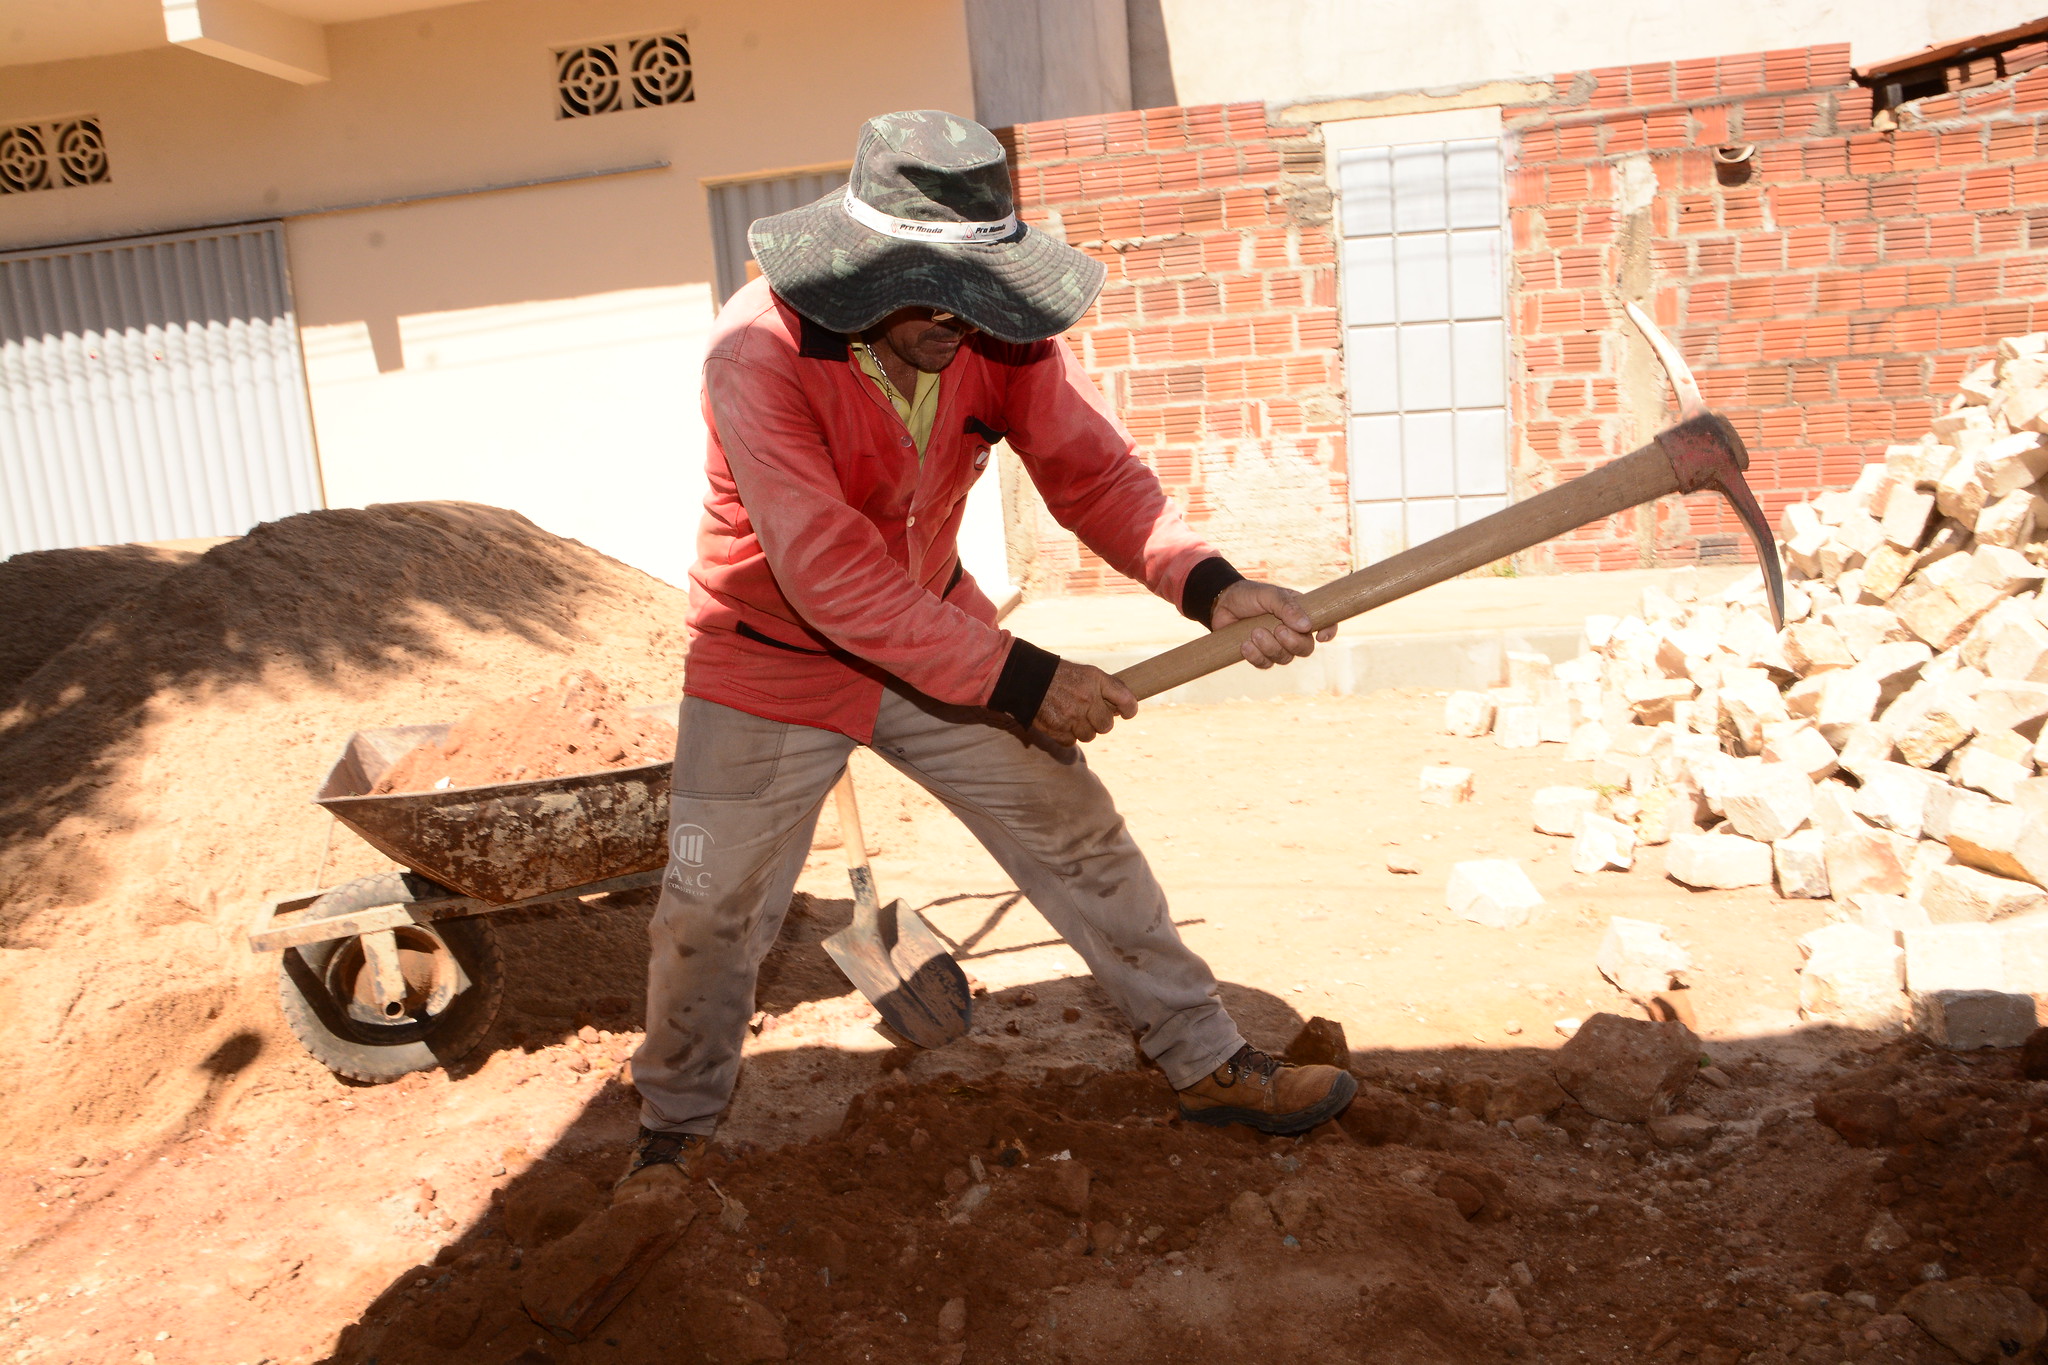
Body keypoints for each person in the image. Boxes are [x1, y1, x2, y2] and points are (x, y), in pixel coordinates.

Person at [618, 110, 1354, 1200]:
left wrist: (1209, 585)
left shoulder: (996, 335)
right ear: (862, 272)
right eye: (934, 295)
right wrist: (1023, 680)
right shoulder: (755, 354)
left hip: (930, 627)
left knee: (1080, 836)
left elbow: (1092, 477)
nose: (962, 324)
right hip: (766, 653)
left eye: (979, 293)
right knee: (707, 903)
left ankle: (1206, 1062)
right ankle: (673, 1130)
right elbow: (822, 572)